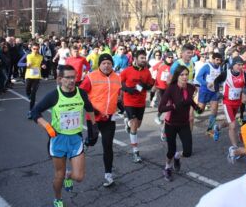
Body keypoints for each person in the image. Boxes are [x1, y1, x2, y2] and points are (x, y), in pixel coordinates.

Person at [31, 65, 95, 207]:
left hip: (76, 139)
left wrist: (94, 127)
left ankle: (69, 175)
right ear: (60, 79)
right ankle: (58, 198)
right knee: (58, 175)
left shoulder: (81, 93)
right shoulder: (54, 95)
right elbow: (35, 112)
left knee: (78, 177)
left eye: (74, 77)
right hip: (58, 139)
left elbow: (90, 108)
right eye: (68, 77)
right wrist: (47, 127)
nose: (72, 80)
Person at [79, 53, 121, 187]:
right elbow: (80, 94)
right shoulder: (91, 77)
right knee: (93, 141)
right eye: (104, 63)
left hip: (109, 118)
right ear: (99, 64)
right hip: (93, 118)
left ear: (112, 64)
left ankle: (108, 175)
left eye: (109, 63)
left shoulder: (117, 77)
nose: (107, 65)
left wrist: (123, 108)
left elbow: (117, 96)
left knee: (108, 146)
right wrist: (92, 108)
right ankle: (87, 142)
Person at [158, 65, 202, 181]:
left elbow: (190, 101)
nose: (184, 77)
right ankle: (167, 167)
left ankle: (177, 157)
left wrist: (197, 108)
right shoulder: (171, 88)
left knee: (187, 152)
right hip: (171, 124)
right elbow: (161, 108)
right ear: (177, 76)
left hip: (184, 123)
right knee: (171, 150)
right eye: (182, 74)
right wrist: (173, 106)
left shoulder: (191, 88)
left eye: (186, 74)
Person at [214, 56, 246, 163]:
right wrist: (217, 92)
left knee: (230, 122)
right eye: (238, 65)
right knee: (233, 125)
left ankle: (218, 127)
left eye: (242, 65)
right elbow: (216, 81)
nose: (241, 67)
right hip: (227, 103)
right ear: (233, 65)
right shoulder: (226, 73)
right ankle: (234, 148)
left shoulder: (244, 75)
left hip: (237, 103)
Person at [121, 50, 154, 163]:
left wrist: (145, 85)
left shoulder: (147, 72)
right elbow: (120, 83)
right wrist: (127, 89)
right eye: (142, 58)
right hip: (129, 102)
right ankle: (135, 151)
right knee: (135, 124)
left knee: (137, 125)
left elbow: (150, 85)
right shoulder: (127, 71)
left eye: (145, 58)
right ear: (135, 59)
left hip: (141, 102)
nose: (144, 60)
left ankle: (127, 122)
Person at [195, 52, 223, 140]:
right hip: (204, 91)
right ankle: (191, 111)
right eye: (217, 60)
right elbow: (198, 77)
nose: (219, 62)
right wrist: (206, 83)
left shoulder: (220, 68)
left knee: (214, 110)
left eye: (220, 60)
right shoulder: (207, 66)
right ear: (213, 59)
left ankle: (209, 129)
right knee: (200, 110)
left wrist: (220, 85)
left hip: (214, 92)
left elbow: (220, 79)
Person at [19, 42, 46, 119]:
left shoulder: (41, 56)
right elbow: (19, 63)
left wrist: (43, 65)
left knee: (33, 94)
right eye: (34, 49)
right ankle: (29, 95)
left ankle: (31, 111)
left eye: (37, 49)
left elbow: (43, 63)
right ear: (31, 49)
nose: (35, 50)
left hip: (37, 77)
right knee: (27, 90)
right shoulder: (27, 55)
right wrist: (25, 64)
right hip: (28, 76)